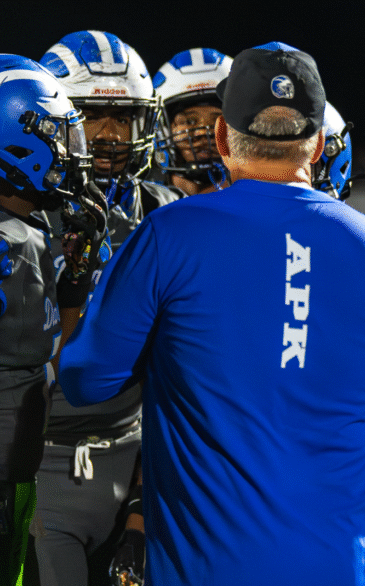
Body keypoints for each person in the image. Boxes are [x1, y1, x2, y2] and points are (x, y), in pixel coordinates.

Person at [58, 42, 365, 586]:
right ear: (316, 144)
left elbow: (84, 379)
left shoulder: (168, 236)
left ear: (222, 137)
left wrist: (77, 301)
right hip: (338, 570)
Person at [27, 31, 181, 586]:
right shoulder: (24, 218)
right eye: (93, 116)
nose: (111, 136)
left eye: (124, 118)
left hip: (138, 456)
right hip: (42, 459)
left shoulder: (167, 214)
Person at [0, 54, 105, 586]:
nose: (74, 151)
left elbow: (50, 345)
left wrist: (76, 277)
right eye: (62, 135)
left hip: (17, 467)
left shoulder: (30, 221)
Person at [153, 47, 233, 197]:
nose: (203, 132)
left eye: (217, 119)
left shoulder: (262, 198)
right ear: (163, 127)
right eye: (189, 121)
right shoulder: (145, 202)